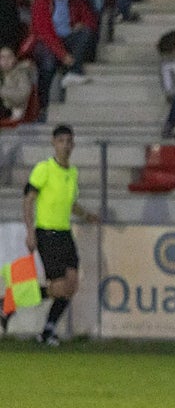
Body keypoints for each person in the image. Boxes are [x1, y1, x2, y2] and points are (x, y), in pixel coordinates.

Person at [17, 125, 100, 344]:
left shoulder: (72, 173)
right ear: (54, 143)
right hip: (46, 233)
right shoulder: (44, 169)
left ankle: (47, 330)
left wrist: (86, 215)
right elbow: (28, 200)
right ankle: (11, 300)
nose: (66, 145)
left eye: (69, 141)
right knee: (60, 286)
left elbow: (70, 203)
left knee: (71, 285)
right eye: (61, 141)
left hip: (64, 234)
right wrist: (30, 230)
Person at [31, 0, 99, 118]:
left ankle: (73, 72)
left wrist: (80, 24)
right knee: (48, 61)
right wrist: (63, 55)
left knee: (86, 32)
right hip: (46, 43)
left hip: (67, 38)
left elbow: (91, 21)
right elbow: (44, 32)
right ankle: (43, 106)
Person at [0, 44, 34, 120]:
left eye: (9, 57)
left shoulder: (21, 73)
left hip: (12, 111)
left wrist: (2, 91)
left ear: (14, 59)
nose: (6, 60)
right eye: (2, 57)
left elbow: (22, 96)